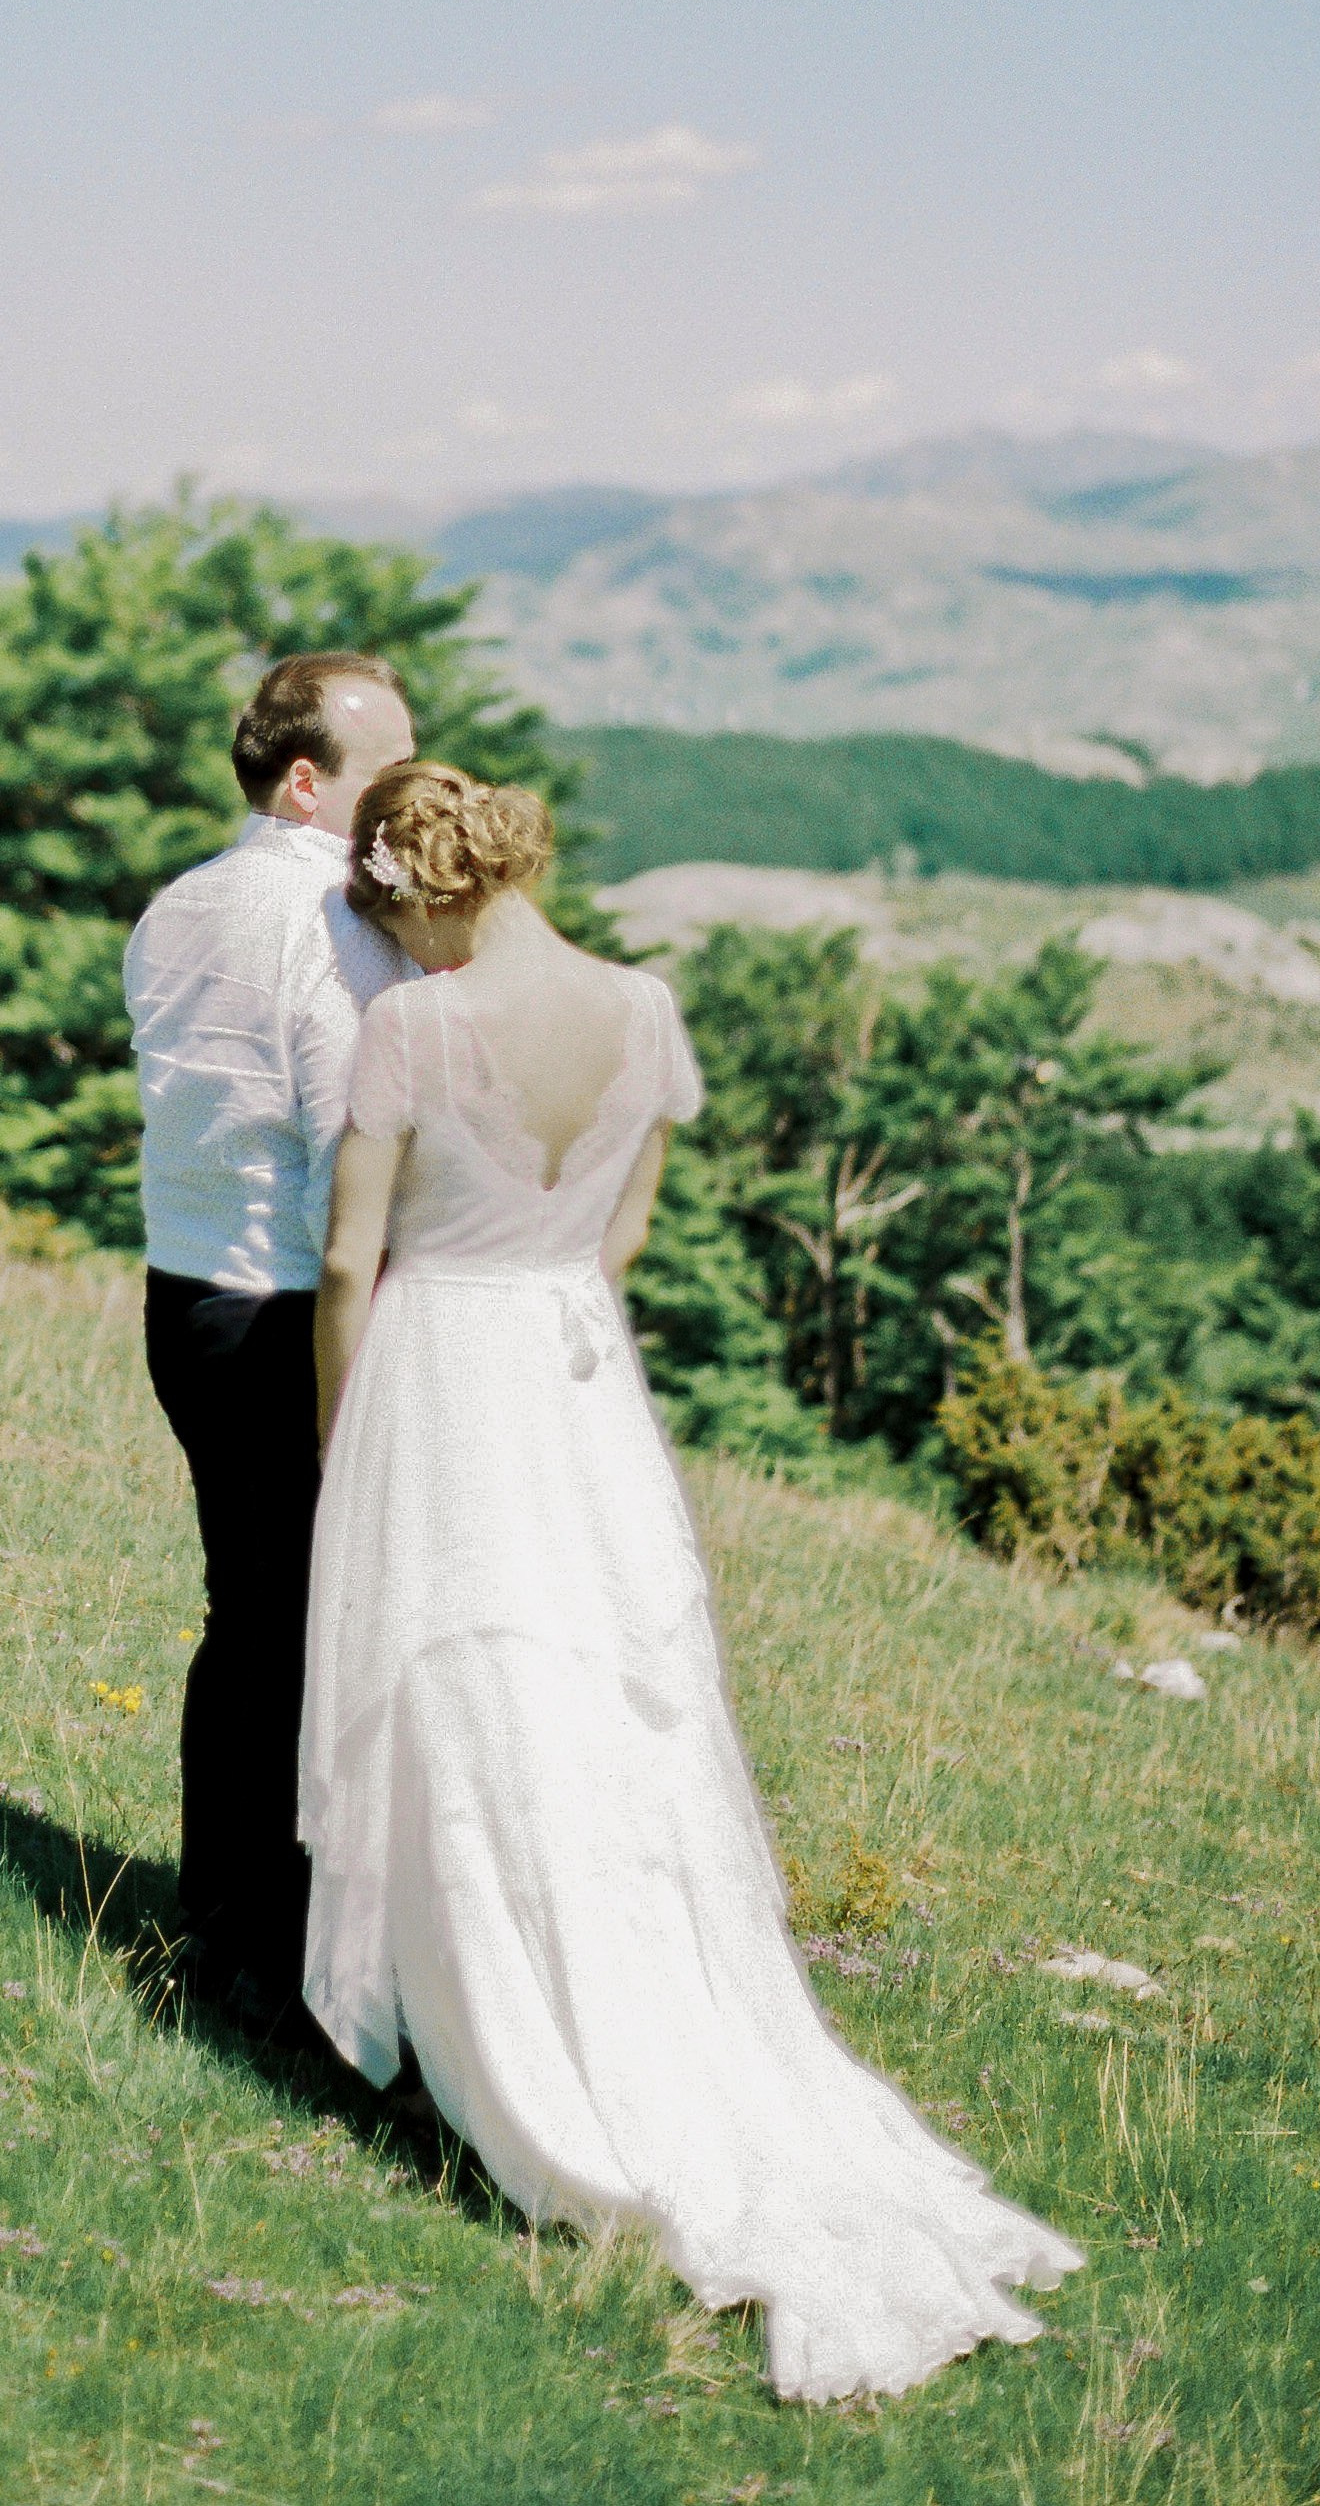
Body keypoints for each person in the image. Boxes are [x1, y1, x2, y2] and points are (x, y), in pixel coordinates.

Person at [301, 758, 1083, 2404]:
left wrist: (336, 1450)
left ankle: (513, 2045)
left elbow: (341, 1265)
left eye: (392, 911)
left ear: (421, 885)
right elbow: (621, 1238)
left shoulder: (411, 1032)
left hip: (443, 1364)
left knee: (467, 1678)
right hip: (572, 1377)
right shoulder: (645, 1014)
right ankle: (630, 1997)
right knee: (596, 1689)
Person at [123, 649, 418, 2025]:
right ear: (307, 784)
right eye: (382, 772)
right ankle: (268, 1945)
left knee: (248, 1618)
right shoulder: (333, 929)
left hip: (180, 1298)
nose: (406, 796)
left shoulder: (173, 906)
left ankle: (226, 1924)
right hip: (284, 1309)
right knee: (301, 1630)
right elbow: (334, 1153)